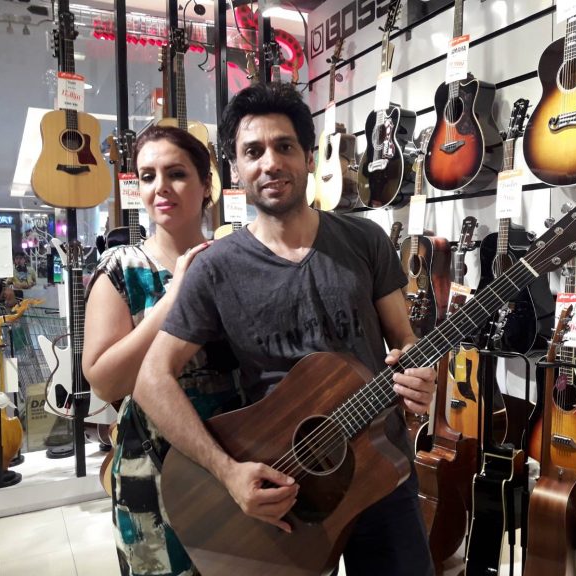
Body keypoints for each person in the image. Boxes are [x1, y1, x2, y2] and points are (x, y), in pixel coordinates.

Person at [132, 83, 437, 575]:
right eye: (253, 151)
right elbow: (151, 380)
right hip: (282, 483)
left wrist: (418, 375)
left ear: (309, 157)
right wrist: (228, 473)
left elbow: (405, 341)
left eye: (284, 146)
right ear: (235, 169)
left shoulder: (366, 240)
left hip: (381, 468)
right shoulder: (216, 268)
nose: (270, 163)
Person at [82, 125, 241, 576]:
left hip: (238, 456)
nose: (160, 187)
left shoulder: (235, 261)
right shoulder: (121, 268)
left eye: (176, 173)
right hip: (152, 472)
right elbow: (105, 381)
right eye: (148, 176)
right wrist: (173, 298)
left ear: (206, 185)